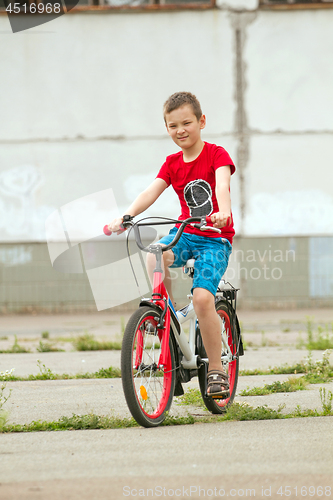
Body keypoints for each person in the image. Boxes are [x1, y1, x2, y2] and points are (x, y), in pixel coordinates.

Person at [108, 91, 235, 398]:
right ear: (167, 128)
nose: (180, 130)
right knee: (155, 254)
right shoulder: (172, 163)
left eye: (187, 122)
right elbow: (151, 192)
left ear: (201, 121)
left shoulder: (217, 155)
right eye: (173, 125)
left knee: (203, 298)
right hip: (186, 233)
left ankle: (216, 369)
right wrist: (126, 216)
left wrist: (223, 212)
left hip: (214, 240)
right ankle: (161, 312)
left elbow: (222, 185)